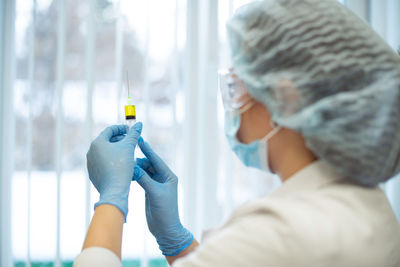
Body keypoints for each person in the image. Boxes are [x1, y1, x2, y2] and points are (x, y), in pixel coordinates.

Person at [74, 0, 400, 266]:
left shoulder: (279, 234)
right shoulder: (369, 206)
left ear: (287, 98)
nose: (232, 104)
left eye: (238, 84)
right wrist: (176, 239)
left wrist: (110, 202)